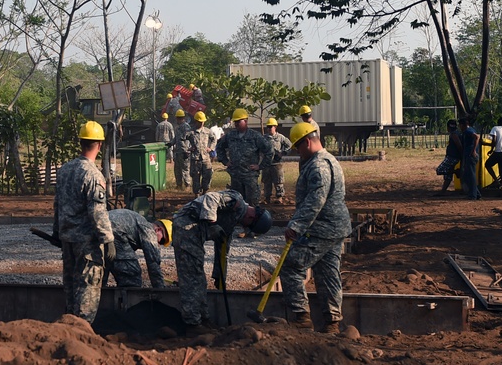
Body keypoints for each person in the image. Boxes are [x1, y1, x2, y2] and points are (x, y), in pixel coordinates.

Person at [280, 122, 352, 334]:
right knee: (328, 273)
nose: (297, 152)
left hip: (322, 229)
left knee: (291, 266)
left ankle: (301, 318)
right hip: (334, 228)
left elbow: (315, 200)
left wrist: (296, 226)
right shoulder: (328, 160)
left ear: (308, 142)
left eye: (298, 147)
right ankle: (332, 323)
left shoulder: (319, 166)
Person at [171, 190, 272, 329]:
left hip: (194, 232)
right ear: (251, 216)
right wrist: (212, 224)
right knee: (191, 277)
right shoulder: (236, 201)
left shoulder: (234, 219)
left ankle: (203, 319)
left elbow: (223, 245)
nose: (244, 226)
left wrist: (220, 275)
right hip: (186, 226)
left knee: (200, 279)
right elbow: (211, 197)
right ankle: (192, 324)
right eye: (247, 225)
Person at [53, 121, 115, 322]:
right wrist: (108, 239)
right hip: (86, 243)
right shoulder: (93, 175)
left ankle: (69, 328)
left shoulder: (65, 170)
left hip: (67, 239)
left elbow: (58, 204)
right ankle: (81, 332)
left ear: (81, 143)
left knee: (70, 287)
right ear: (99, 145)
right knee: (87, 289)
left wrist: (57, 232)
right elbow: (97, 211)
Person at [215, 108, 273, 206]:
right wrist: (225, 161)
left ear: (245, 121)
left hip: (250, 177)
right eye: (235, 122)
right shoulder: (230, 136)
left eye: (238, 121)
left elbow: (269, 151)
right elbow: (219, 147)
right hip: (236, 176)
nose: (236, 124)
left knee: (252, 204)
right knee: (237, 204)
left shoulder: (255, 136)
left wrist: (260, 166)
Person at [106, 209, 170, 288]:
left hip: (98, 228)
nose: (159, 244)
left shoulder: (139, 221)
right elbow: (153, 262)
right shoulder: (149, 230)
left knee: (99, 272)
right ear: (158, 230)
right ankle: (129, 298)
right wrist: (160, 289)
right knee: (131, 276)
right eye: (162, 241)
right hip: (112, 232)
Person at [261, 118, 292, 204]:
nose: (269, 128)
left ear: (275, 127)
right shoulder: (264, 138)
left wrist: (283, 153)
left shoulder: (280, 137)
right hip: (267, 164)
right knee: (267, 182)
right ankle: (267, 198)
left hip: (277, 164)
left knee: (278, 181)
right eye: (268, 127)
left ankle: (279, 197)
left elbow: (289, 146)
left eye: (271, 126)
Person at [185, 111, 216, 196]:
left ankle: (205, 191)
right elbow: (182, 140)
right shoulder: (191, 132)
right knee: (195, 178)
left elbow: (214, 139)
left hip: (206, 158)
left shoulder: (207, 131)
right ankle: (197, 195)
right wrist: (188, 149)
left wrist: (211, 148)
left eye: (203, 122)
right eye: (200, 122)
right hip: (195, 159)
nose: (202, 123)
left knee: (208, 175)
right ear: (196, 121)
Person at [485, 117, 502, 195]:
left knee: (488, 164)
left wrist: (491, 149)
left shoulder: (495, 128)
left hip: (498, 152)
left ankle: (496, 181)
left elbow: (494, 140)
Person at [434, 119, 462, 195]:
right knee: (448, 176)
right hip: (453, 156)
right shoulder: (457, 133)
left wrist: (460, 155)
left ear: (448, 127)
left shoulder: (454, 134)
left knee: (439, 170)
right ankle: (443, 191)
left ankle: (456, 172)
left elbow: (459, 145)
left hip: (452, 156)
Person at [459, 117, 481, 200]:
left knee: (471, 175)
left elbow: (477, 137)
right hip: (469, 155)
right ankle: (476, 193)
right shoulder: (470, 130)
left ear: (462, 125)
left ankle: (473, 195)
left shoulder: (468, 131)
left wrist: (473, 150)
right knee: (468, 175)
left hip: (470, 155)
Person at [173, 109, 192, 190]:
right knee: (177, 169)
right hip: (178, 151)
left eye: (178, 118)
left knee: (185, 168)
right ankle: (179, 185)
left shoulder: (186, 127)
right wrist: (171, 143)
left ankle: (187, 185)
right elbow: (176, 138)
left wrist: (187, 151)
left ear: (182, 118)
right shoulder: (178, 127)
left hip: (184, 151)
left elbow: (189, 139)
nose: (177, 120)